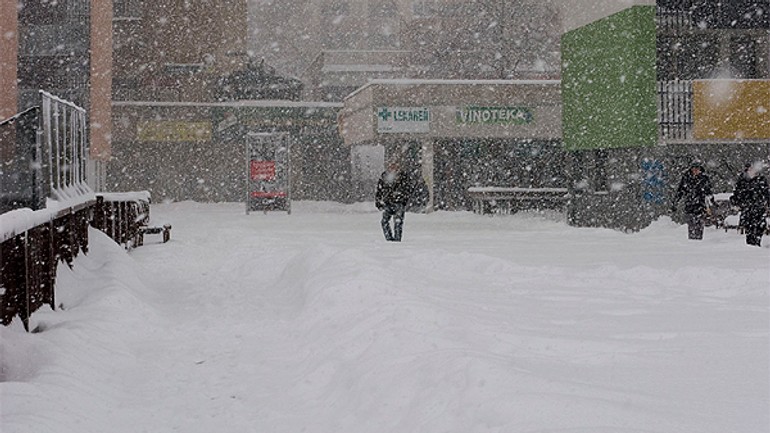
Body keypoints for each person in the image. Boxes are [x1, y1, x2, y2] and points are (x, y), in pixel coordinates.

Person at [671, 161, 715, 240]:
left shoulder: (704, 178)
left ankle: (698, 239)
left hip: (700, 206)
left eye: (697, 169)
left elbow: (709, 192)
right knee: (691, 225)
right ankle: (692, 240)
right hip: (690, 204)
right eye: (694, 169)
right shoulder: (686, 178)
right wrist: (675, 203)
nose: (695, 171)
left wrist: (712, 202)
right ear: (691, 169)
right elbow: (680, 191)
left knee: (699, 224)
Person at [730, 161, 770, 247]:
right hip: (747, 208)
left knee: (759, 227)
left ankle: (757, 242)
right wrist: (735, 200)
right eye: (749, 169)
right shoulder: (742, 180)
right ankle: (751, 245)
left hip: (759, 208)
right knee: (749, 229)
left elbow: (766, 193)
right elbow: (737, 193)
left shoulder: (761, 180)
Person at [375, 161, 413, 242]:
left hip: (398, 202)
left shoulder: (403, 176)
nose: (392, 167)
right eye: (391, 165)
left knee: (397, 223)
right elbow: (379, 189)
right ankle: (389, 239)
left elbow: (408, 189)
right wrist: (378, 200)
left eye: (394, 165)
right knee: (384, 222)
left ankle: (397, 239)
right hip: (388, 202)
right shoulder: (384, 176)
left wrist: (403, 198)